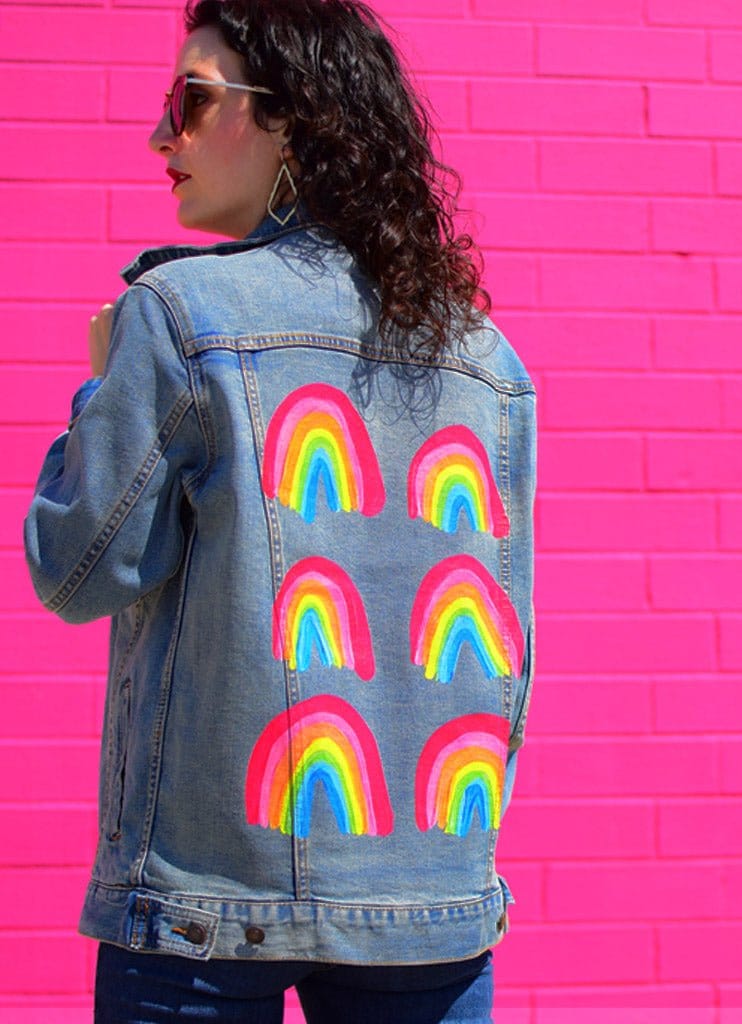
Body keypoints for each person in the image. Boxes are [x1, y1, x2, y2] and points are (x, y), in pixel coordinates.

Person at [22, 1, 535, 1020]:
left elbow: (77, 569)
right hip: (426, 895)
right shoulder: (486, 357)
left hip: (207, 898)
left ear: (291, 117)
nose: (161, 134)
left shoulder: (177, 317)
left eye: (193, 99)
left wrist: (97, 396)